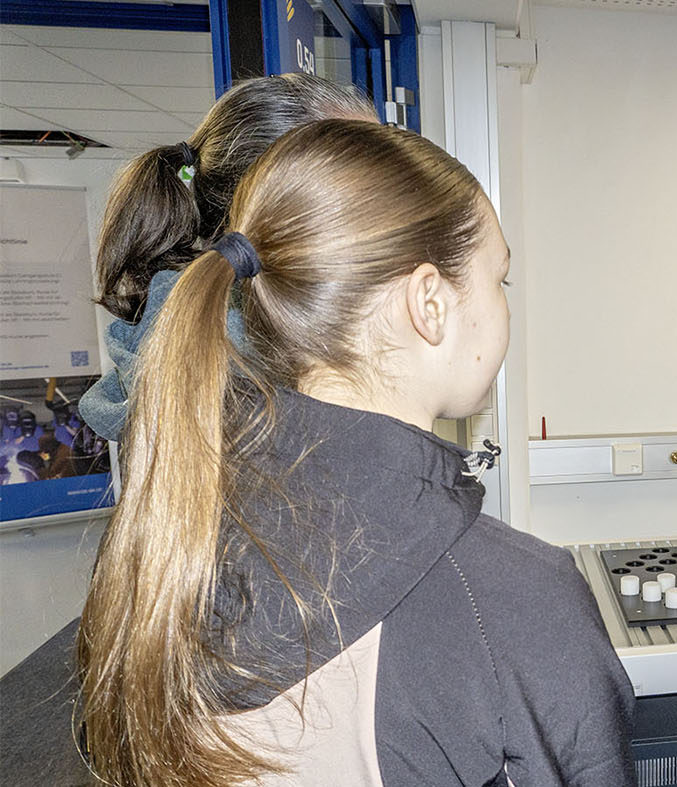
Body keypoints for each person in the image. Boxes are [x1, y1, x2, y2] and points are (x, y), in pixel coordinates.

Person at [74, 118, 635, 786]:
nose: (503, 305)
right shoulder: (516, 601)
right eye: (499, 279)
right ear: (430, 302)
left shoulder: (159, 545)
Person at [79, 73, 378, 441]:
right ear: (275, 204)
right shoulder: (254, 386)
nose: (393, 200)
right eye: (369, 181)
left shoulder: (207, 347)